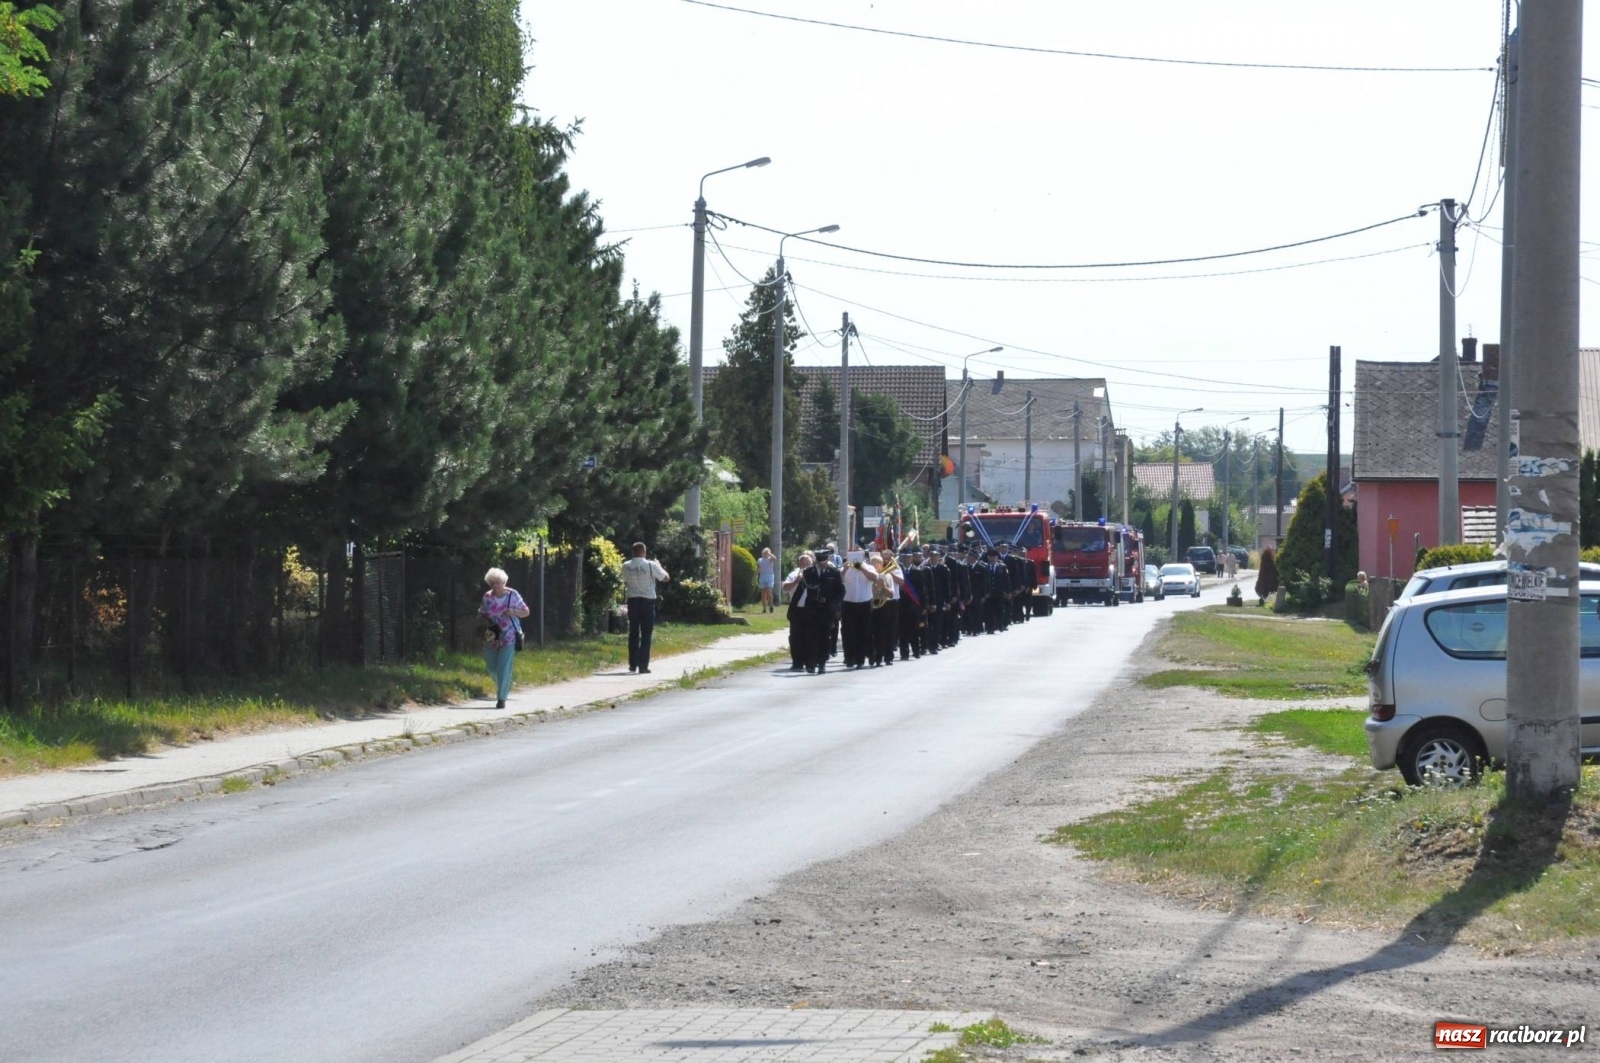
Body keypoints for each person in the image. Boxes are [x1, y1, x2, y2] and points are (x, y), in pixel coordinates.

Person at [478, 567, 530, 709]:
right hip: (491, 636)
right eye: (492, 583)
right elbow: (482, 612)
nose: (495, 585)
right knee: (491, 667)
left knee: (504, 667)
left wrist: (512, 611)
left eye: (498, 582)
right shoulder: (487, 597)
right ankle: (504, 684)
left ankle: (501, 698)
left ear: (504, 582)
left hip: (509, 635)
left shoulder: (512, 595)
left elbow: (526, 612)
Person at [621, 542, 670, 674]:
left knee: (633, 632)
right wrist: (660, 566)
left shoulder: (626, 565)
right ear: (643, 551)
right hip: (647, 601)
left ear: (633, 551)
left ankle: (633, 664)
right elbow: (665, 578)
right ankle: (643, 666)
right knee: (646, 633)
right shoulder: (650, 565)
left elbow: (624, 580)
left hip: (633, 600)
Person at [839, 550, 880, 669]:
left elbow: (875, 578)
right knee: (848, 632)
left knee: (864, 632)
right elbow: (839, 579)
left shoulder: (869, 567)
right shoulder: (845, 568)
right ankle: (849, 658)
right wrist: (845, 569)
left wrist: (862, 568)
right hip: (848, 603)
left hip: (864, 603)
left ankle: (860, 658)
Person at [783, 552, 816, 671]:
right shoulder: (794, 574)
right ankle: (797, 662)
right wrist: (796, 581)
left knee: (810, 637)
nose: (806, 565)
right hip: (797, 610)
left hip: (811, 610)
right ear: (800, 564)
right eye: (803, 563)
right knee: (795, 637)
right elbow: (785, 588)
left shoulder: (815, 574)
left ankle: (810, 662)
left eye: (808, 563)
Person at [757, 547, 777, 613]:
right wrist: (754, 576)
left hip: (769, 577)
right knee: (763, 594)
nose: (765, 554)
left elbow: (775, 558)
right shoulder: (760, 560)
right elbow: (759, 569)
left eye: (766, 552)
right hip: (762, 577)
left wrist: (769, 553)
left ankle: (771, 606)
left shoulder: (770, 559)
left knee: (769, 592)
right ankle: (764, 609)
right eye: (764, 552)